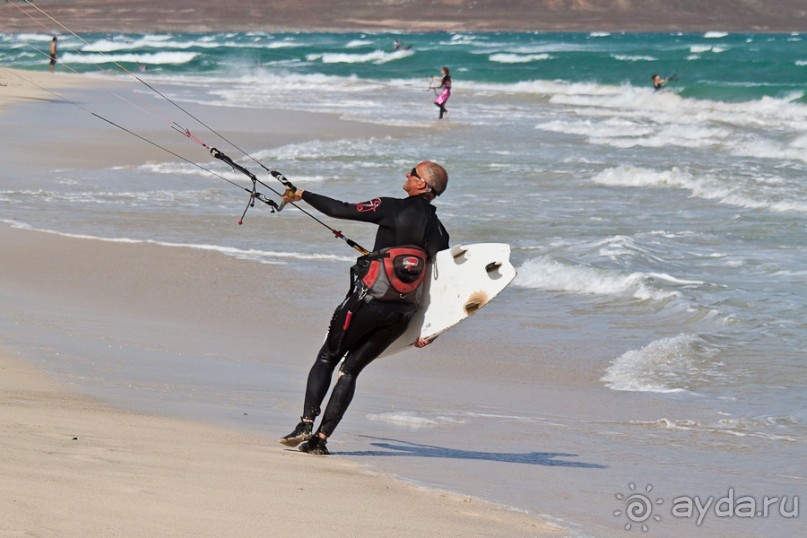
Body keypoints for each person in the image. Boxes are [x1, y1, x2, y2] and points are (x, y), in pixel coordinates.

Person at [279, 162, 451, 455]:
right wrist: (432, 329)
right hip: (402, 314)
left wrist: (302, 194)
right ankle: (320, 441)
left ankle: (306, 424)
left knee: (328, 357)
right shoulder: (439, 232)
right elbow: (444, 282)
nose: (407, 175)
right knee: (351, 371)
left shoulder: (390, 207)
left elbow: (341, 210)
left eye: (412, 173)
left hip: (369, 300)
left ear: (422, 185)